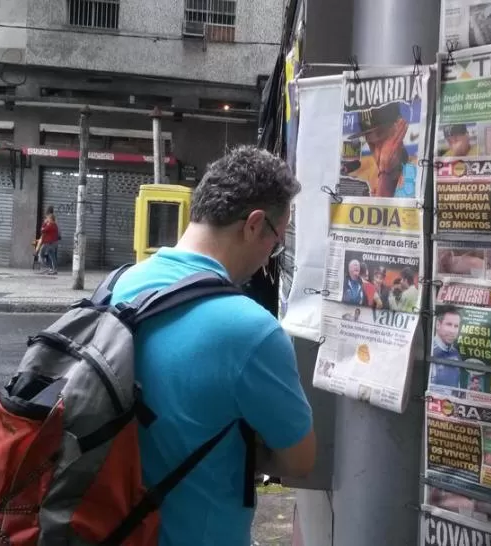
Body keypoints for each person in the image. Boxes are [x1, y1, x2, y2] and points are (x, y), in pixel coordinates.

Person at [109, 146, 315, 546]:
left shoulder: (117, 285)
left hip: (105, 529)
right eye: (277, 241)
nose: (270, 255)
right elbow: (300, 460)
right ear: (255, 225)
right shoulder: (252, 331)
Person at [38, 206, 60, 275]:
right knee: (52, 255)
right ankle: (53, 269)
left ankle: (49, 268)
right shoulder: (54, 224)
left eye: (48, 218)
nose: (47, 219)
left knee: (42, 254)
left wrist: (45, 223)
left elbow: (43, 230)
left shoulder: (51, 225)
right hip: (51, 242)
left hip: (49, 242)